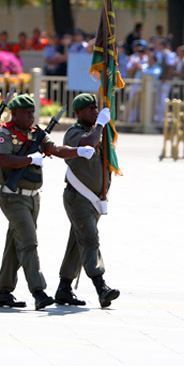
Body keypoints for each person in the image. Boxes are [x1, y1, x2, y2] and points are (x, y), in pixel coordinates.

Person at [0, 94, 96, 310]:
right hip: (13, 196)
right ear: (15, 113)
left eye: (33, 112)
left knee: (16, 243)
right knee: (29, 242)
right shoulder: (4, 133)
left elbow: (56, 150)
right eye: (27, 113)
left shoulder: (36, 134)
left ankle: (3, 292)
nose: (31, 117)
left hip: (32, 197)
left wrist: (79, 151)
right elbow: (3, 159)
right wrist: (30, 159)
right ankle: (38, 291)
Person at [55, 93, 120, 308]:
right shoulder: (74, 133)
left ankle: (64, 287)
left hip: (93, 199)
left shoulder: (100, 131)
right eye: (89, 109)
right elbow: (90, 143)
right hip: (78, 197)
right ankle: (101, 286)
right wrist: (100, 124)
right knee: (90, 239)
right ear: (78, 113)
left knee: (78, 242)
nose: (94, 111)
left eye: (95, 108)